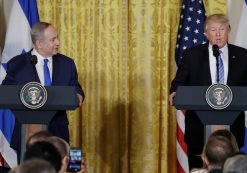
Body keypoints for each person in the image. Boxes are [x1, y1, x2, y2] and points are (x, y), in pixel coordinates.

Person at [169, 14, 247, 170]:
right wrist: (175, 92)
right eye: (213, 29)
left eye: (222, 29)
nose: (218, 34)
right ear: (205, 33)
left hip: (233, 130)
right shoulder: (192, 55)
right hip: (198, 127)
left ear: (228, 30)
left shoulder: (243, 55)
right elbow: (178, 83)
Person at [2, 22, 85, 161]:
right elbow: (6, 93)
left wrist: (78, 96)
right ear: (39, 43)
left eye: (57, 38)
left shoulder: (67, 63)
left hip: (58, 132)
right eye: (53, 39)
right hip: (27, 133)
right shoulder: (17, 64)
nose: (58, 42)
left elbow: (75, 87)